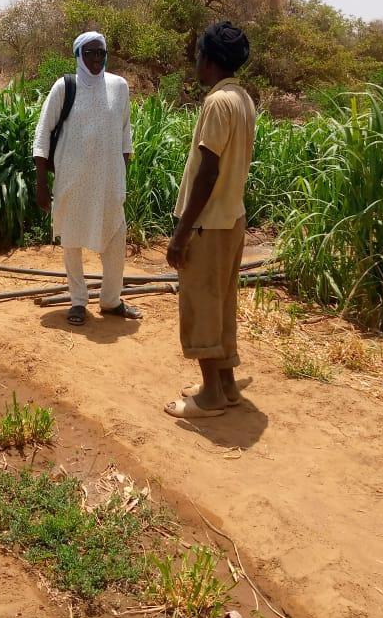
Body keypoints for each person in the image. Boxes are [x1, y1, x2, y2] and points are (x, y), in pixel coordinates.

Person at [164, 21, 255, 418]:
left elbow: (208, 170)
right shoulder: (242, 98)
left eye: (198, 55)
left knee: (201, 305)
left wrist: (181, 232)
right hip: (231, 219)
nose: (195, 63)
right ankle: (227, 385)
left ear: (210, 59)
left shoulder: (217, 103)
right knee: (222, 303)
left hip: (208, 223)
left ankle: (210, 397)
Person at [33, 31, 142, 326]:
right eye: (90, 53)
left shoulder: (119, 87)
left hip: (108, 183)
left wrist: (121, 174)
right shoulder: (65, 87)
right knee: (72, 241)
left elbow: (125, 135)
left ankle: (111, 300)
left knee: (116, 239)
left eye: (101, 53)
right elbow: (42, 135)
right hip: (73, 180)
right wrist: (41, 185)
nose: (96, 59)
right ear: (78, 55)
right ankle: (78, 301)